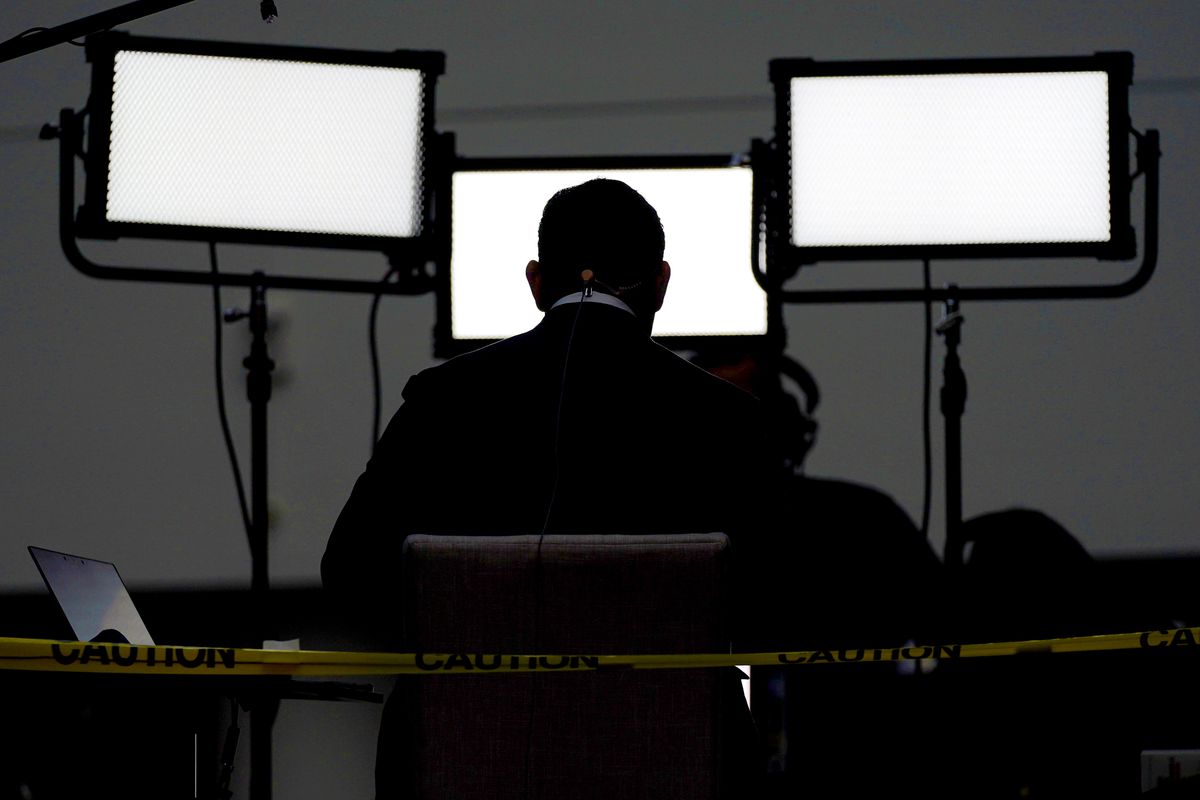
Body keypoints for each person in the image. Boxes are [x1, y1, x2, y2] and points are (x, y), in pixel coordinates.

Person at [322, 178, 778, 795]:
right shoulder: (729, 419)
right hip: (678, 765)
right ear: (661, 283)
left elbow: (350, 574)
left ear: (536, 282)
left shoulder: (439, 402)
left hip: (461, 764)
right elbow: (776, 605)